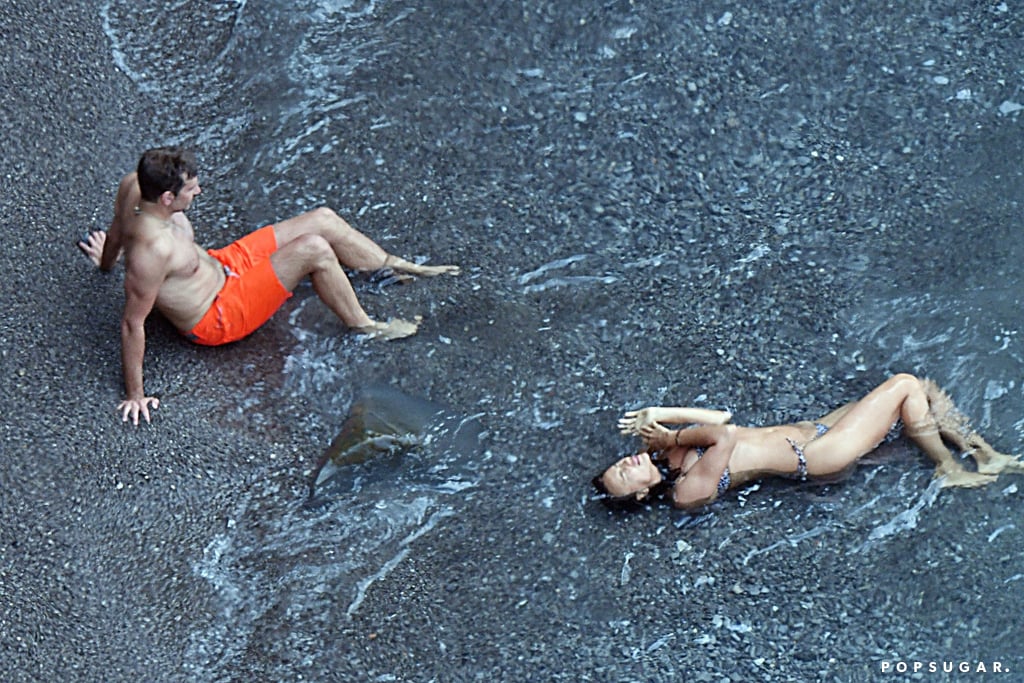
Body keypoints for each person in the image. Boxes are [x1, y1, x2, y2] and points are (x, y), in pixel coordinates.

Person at [79, 147, 459, 425]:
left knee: (323, 219)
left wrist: (106, 261)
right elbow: (133, 322)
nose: (198, 193)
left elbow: (117, 228)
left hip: (222, 264)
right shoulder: (151, 252)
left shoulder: (133, 186)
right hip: (219, 315)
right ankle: (367, 328)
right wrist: (135, 394)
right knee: (314, 250)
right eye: (191, 190)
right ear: (167, 198)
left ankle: (393, 266)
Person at [594, 373, 1023, 510]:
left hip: (814, 429)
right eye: (623, 478)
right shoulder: (685, 491)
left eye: (617, 466)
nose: (625, 466)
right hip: (815, 456)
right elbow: (722, 436)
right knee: (904, 385)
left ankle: (985, 455)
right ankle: (947, 468)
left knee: (924, 390)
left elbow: (721, 416)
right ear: (641, 495)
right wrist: (672, 434)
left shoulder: (660, 451)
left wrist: (661, 414)